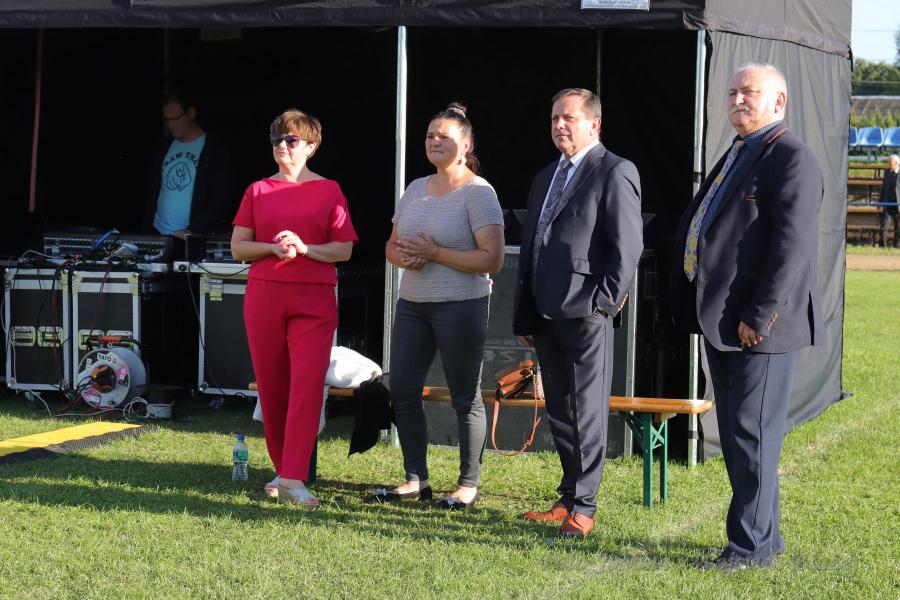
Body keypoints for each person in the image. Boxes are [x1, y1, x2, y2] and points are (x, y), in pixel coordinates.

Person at [670, 64, 824, 571]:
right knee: (743, 436)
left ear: (778, 101)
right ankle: (765, 539)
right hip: (725, 322)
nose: (737, 99)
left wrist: (760, 314)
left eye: (749, 92)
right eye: (732, 91)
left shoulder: (792, 158)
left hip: (759, 328)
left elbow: (791, 248)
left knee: (752, 436)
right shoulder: (742, 150)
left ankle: (747, 549)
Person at [513, 88, 643, 538]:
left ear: (594, 124)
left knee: (586, 412)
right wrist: (524, 313)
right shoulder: (546, 175)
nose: (559, 125)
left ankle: (584, 507)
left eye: (568, 118)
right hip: (545, 314)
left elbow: (627, 248)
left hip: (587, 313)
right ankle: (568, 495)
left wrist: (603, 303)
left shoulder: (615, 171)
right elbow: (531, 248)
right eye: (554, 118)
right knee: (561, 411)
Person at [374, 103, 504, 509]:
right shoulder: (415, 188)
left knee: (465, 396)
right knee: (403, 390)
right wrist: (404, 257)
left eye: (443, 136)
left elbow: (492, 259)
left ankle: (468, 484)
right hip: (413, 304)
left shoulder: (478, 192)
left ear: (466, 145)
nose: (434, 141)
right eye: (430, 135)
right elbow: (390, 246)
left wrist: (436, 253)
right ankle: (416, 479)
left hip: (461, 306)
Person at [231, 109, 358, 506]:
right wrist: (271, 248)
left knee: (307, 385)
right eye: (276, 139)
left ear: (311, 146)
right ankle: (284, 470)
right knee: (272, 388)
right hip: (265, 294)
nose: (282, 146)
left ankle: (292, 476)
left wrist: (305, 248)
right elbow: (238, 247)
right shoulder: (257, 190)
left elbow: (344, 249)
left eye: (291, 140)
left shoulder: (329, 190)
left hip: (314, 297)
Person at [146, 90, 234, 238]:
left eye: (175, 118)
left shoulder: (214, 150)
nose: (171, 124)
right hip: (158, 232)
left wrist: (195, 229)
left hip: (190, 237)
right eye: (168, 119)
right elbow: (154, 190)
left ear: (191, 113)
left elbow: (220, 199)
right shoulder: (164, 147)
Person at [879, 154, 899, 248]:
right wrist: (880, 202)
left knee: (898, 227)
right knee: (884, 226)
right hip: (887, 204)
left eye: (890, 163)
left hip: (898, 205)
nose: (888, 164)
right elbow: (883, 187)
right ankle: (882, 245)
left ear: (897, 163)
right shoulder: (887, 172)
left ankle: (897, 245)